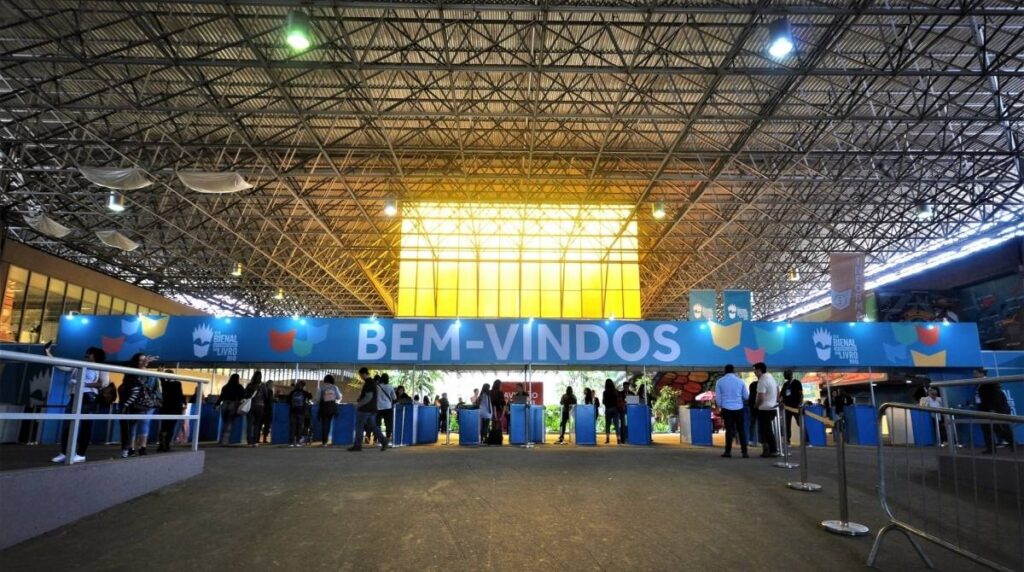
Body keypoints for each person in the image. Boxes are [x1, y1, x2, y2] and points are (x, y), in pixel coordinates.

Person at [50, 345, 110, 464]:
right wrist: (48, 354)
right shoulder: (79, 365)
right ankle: (64, 452)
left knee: (85, 426)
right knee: (67, 424)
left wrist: (83, 383)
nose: (87, 355)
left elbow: (103, 383)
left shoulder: (101, 367)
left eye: (90, 353)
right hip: (74, 396)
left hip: (88, 398)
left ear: (95, 355)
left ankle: (81, 454)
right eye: (87, 352)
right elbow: (62, 366)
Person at [120, 353, 160, 457]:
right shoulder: (131, 372)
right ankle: (131, 448)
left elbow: (156, 389)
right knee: (132, 424)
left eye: (145, 360)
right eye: (141, 360)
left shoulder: (152, 374)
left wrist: (157, 401)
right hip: (135, 402)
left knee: (145, 422)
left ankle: (142, 447)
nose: (144, 361)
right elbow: (129, 384)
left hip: (149, 402)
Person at [975, 368, 1016, 454]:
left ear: (981, 373)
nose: (974, 375)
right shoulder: (977, 384)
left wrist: (992, 409)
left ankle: (1012, 443)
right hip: (984, 410)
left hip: (995, 410)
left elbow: (996, 396)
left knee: (999, 428)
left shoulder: (991, 381)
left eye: (976, 373)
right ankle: (991, 449)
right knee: (986, 429)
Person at [715, 364, 750, 458]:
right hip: (739, 409)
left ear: (725, 371)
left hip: (726, 409)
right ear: (734, 371)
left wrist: (719, 406)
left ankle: (728, 452)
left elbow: (718, 398)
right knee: (741, 430)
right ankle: (744, 452)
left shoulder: (720, 381)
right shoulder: (740, 381)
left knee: (729, 431)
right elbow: (746, 396)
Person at [348, 373, 388, 452]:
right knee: (373, 426)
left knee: (359, 426)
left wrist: (359, 404)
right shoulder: (373, 383)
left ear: (364, 374)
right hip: (373, 409)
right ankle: (384, 441)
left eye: (361, 375)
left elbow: (368, 396)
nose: (361, 377)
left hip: (365, 409)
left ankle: (357, 445)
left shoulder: (368, 383)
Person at [753, 362, 779, 458]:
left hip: (764, 409)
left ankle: (772, 450)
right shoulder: (771, 377)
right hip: (772, 408)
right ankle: (770, 450)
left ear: (759, 370)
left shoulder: (762, 380)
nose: (754, 372)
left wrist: (756, 405)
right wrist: (775, 400)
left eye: (755, 370)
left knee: (766, 431)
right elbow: (777, 389)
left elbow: (761, 397)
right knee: (767, 430)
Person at [158, 371, 185, 452]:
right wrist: (184, 403)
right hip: (174, 408)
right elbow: (181, 394)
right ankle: (165, 445)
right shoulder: (177, 384)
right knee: (169, 428)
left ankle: (163, 445)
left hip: (168, 408)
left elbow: (180, 394)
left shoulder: (165, 383)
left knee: (165, 427)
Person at [245, 372, 273, 446]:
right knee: (257, 424)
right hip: (260, 407)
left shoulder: (249, 385)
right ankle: (255, 441)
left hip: (250, 406)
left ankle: (249, 441)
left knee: (250, 424)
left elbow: (245, 395)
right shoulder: (263, 386)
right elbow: (266, 396)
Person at [217, 373, 245, 446]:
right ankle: (224, 442)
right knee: (229, 423)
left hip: (224, 404)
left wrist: (217, 404)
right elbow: (243, 396)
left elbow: (221, 397)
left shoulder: (225, 387)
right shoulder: (239, 387)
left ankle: (221, 440)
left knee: (225, 422)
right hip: (233, 404)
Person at [781, 370, 803, 446]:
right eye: (784, 374)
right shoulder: (785, 384)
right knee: (787, 424)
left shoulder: (797, 383)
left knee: (800, 423)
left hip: (796, 407)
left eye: (786, 374)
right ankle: (787, 441)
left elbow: (801, 394)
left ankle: (806, 440)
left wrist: (800, 404)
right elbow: (782, 395)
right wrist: (781, 401)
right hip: (787, 408)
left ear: (791, 374)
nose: (785, 376)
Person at [317, 375, 341, 447]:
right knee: (329, 424)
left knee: (324, 424)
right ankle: (329, 440)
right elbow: (338, 397)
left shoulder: (321, 387)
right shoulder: (334, 387)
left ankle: (324, 442)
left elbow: (317, 399)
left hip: (323, 407)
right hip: (331, 408)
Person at [375, 371, 397, 440]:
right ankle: (387, 437)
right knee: (388, 423)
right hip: (388, 407)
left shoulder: (377, 387)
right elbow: (394, 398)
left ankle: (377, 437)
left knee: (378, 423)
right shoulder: (390, 387)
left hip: (378, 407)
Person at [287, 381, 309, 447]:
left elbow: (287, 401)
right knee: (300, 427)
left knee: (292, 427)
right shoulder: (304, 392)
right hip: (301, 412)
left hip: (293, 411)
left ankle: (291, 442)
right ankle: (298, 442)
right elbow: (310, 397)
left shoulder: (292, 392)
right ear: (303, 386)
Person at [602, 378, 623, 444]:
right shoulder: (616, 391)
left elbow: (603, 401)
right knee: (616, 425)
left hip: (608, 409)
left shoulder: (605, 392)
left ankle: (607, 439)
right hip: (615, 409)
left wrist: (607, 404)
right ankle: (618, 439)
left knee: (607, 424)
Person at [747, 376, 759, 447]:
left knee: (752, 424)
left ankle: (750, 440)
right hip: (760, 407)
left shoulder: (752, 385)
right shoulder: (760, 385)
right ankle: (760, 441)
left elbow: (750, 396)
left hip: (752, 406)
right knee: (761, 425)